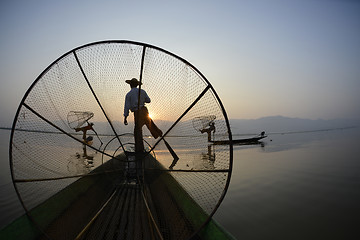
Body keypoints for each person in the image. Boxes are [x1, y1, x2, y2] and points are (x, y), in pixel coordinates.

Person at [123, 78, 163, 152]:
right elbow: (148, 100)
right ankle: (159, 134)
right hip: (144, 111)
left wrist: (125, 117)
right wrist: (142, 99)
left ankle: (139, 149)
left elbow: (126, 107)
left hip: (137, 113)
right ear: (137, 85)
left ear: (131, 85)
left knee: (137, 131)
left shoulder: (129, 94)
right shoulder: (142, 91)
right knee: (150, 124)